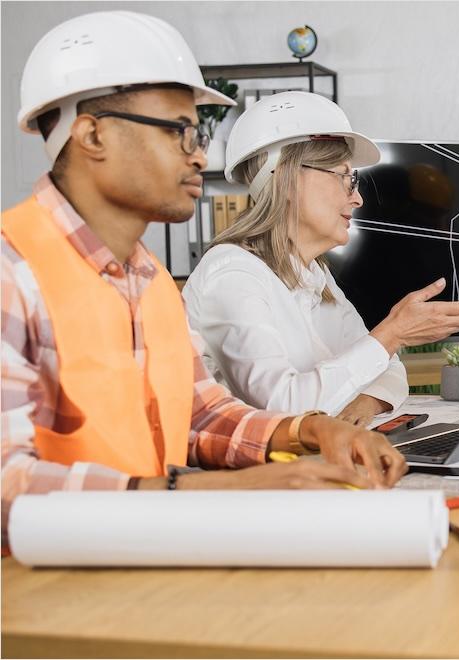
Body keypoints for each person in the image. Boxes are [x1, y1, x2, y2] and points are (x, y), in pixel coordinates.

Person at [1, 11, 406, 546]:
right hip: (38, 595)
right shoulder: (13, 273)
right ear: (92, 134)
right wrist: (212, 494)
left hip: (142, 558)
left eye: (201, 132)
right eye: (180, 131)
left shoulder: (146, 280)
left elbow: (197, 417)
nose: (201, 154)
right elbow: (9, 486)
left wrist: (308, 430)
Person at [183, 92, 459, 428]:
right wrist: (392, 334)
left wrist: (365, 403)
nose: (357, 198)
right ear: (286, 177)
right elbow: (281, 410)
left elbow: (390, 372)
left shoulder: (315, 275)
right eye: (344, 177)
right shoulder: (233, 274)